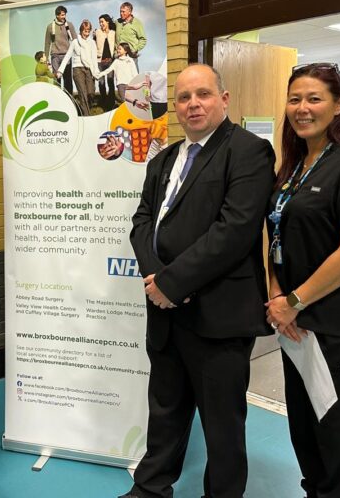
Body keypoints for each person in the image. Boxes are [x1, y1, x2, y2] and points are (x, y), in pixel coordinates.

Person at [123, 64, 275, 498]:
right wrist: (157, 276)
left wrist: (172, 283)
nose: (193, 104)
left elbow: (234, 230)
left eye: (203, 94)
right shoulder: (166, 158)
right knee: (165, 409)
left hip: (218, 316)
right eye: (185, 98)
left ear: (224, 100)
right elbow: (143, 221)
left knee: (222, 424)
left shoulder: (248, 151)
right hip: (165, 312)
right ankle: (151, 488)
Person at [265, 63, 340, 498]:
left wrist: (293, 300)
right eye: (295, 99)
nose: (302, 108)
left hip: (337, 328)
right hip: (295, 326)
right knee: (307, 437)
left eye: (314, 98)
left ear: (339, 105)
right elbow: (274, 233)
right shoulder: (296, 165)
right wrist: (276, 295)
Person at [56, 19, 101, 116]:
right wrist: (60, 70)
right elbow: (67, 56)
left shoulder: (92, 43)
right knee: (83, 94)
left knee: (91, 93)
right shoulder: (75, 42)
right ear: (81, 30)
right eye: (85, 31)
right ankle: (87, 116)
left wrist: (96, 72)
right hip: (77, 70)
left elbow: (94, 59)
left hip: (89, 69)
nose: (87, 33)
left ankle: (87, 109)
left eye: (89, 31)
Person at [44, 5, 77, 95]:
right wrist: (46, 59)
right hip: (55, 56)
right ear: (57, 15)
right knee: (56, 79)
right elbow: (47, 43)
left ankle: (70, 99)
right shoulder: (50, 27)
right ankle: (58, 98)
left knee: (68, 80)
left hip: (67, 55)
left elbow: (75, 40)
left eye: (65, 15)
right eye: (62, 15)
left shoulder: (69, 25)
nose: (64, 17)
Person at [94, 13, 117, 109]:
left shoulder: (113, 33)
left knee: (110, 81)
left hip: (110, 61)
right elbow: (93, 44)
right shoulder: (97, 32)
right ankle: (103, 101)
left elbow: (116, 45)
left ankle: (111, 101)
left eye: (102, 21)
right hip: (100, 61)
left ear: (107, 21)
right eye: (99, 22)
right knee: (101, 82)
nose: (101, 24)